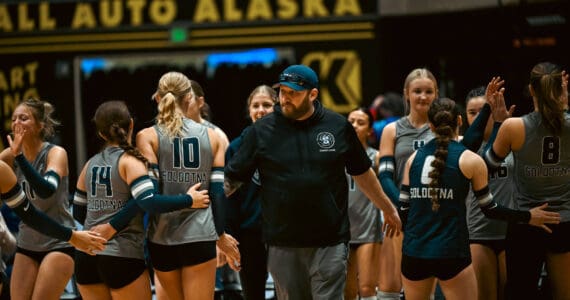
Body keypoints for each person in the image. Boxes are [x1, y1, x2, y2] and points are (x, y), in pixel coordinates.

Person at [225, 64, 401, 300]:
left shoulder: (337, 126)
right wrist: (207, 213)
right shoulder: (262, 131)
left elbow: (362, 172)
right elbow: (231, 180)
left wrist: (387, 208)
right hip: (282, 243)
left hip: (330, 241)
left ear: (313, 94)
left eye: (293, 93)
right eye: (282, 92)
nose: (285, 99)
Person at [398, 97, 560, 300]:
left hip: (415, 253)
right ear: (459, 121)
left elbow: (403, 208)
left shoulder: (412, 159)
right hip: (451, 252)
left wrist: (416, 235)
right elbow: (489, 208)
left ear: (430, 125)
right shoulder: (470, 159)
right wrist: (528, 216)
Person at [72, 100, 212, 299]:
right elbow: (149, 202)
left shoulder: (89, 164)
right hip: (121, 255)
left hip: (87, 258)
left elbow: (78, 211)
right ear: (131, 124)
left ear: (101, 133)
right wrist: (189, 199)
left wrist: (101, 220)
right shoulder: (130, 161)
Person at [377, 68, 489, 299]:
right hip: (401, 215)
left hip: (438, 217)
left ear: (436, 94)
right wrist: (400, 209)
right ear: (406, 94)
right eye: (417, 91)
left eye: (429, 91)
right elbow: (385, 176)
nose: (423, 96)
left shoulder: (444, 128)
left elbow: (465, 151)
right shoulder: (392, 130)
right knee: (389, 286)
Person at [137, 71, 239, 300]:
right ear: (189, 99)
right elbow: (218, 194)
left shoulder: (146, 136)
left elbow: (150, 201)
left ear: (157, 98)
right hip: (200, 236)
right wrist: (220, 235)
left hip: (161, 238)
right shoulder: (213, 137)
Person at [484, 62, 570, 300]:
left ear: (531, 90)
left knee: (521, 294)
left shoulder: (513, 127)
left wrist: (499, 124)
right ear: (562, 89)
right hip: (564, 220)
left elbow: (487, 165)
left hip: (526, 220)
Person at [0, 98, 97, 300]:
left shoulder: (55, 153)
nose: (16, 123)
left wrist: (20, 159)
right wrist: (16, 156)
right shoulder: (7, 157)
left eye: (24, 118)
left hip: (59, 241)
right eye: (14, 119)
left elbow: (46, 190)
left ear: (40, 125)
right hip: (27, 243)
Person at [464, 79, 515, 300]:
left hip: (512, 231)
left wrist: (504, 127)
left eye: (483, 109)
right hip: (478, 233)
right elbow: (486, 163)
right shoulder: (462, 145)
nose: (477, 117)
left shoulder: (515, 139)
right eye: (471, 112)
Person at [225, 85, 277, 300]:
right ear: (249, 110)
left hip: (284, 233)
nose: (261, 110)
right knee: (253, 293)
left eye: (267, 105)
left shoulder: (288, 141)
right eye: (255, 105)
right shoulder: (236, 147)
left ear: (278, 108)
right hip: (249, 234)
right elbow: (229, 198)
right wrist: (229, 234)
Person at [344, 107, 383, 300]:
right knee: (348, 292)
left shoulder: (376, 157)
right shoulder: (335, 155)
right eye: (351, 121)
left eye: (360, 123)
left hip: (368, 228)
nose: (354, 126)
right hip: (342, 230)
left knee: (367, 288)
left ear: (369, 130)